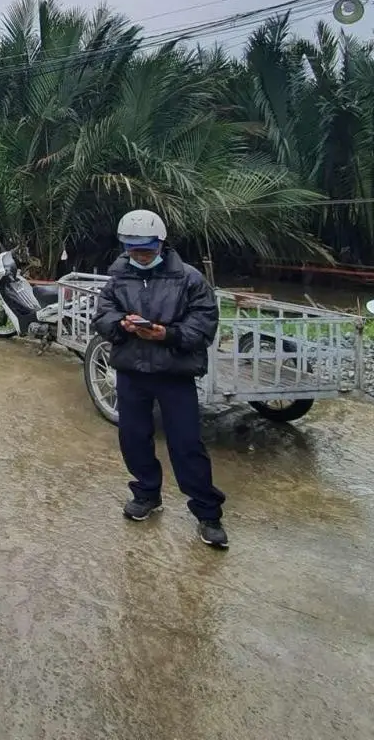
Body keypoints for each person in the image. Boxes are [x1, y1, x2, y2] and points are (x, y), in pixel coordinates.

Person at [91, 209, 229, 549]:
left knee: (186, 445)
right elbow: (103, 315)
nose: (139, 255)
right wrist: (120, 324)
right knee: (133, 437)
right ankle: (146, 494)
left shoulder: (190, 279)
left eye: (146, 248)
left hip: (173, 373)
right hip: (132, 372)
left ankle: (208, 514)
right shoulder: (118, 276)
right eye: (132, 248)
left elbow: (204, 325)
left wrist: (166, 334)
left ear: (161, 243)